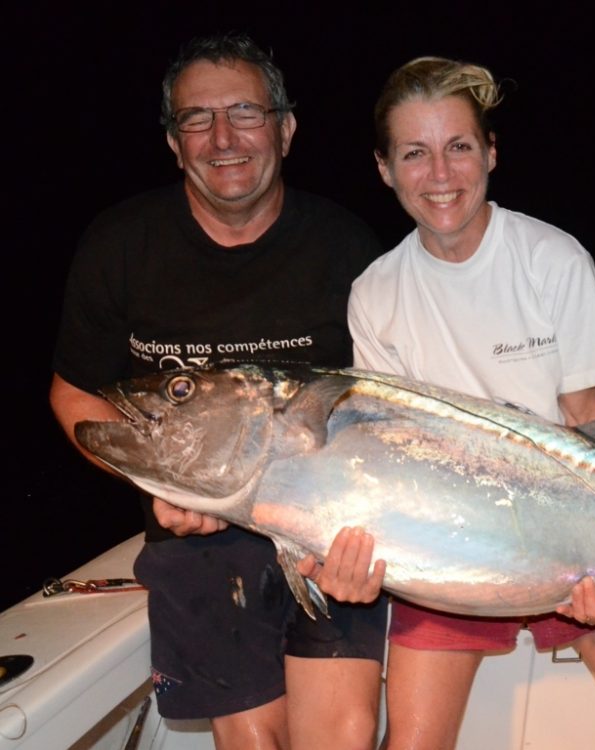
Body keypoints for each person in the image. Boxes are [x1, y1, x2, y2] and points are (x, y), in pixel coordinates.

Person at [303, 56, 595, 750]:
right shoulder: (377, 293)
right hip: (450, 555)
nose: (441, 175)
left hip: (575, 535)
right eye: (415, 153)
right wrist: (338, 562)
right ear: (384, 168)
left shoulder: (551, 260)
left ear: (491, 152)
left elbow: (589, 418)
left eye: (459, 146)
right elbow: (384, 449)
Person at [49, 32, 386, 750]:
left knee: (341, 738)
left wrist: (365, 535)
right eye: (197, 119)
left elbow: (384, 418)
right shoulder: (121, 248)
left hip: (323, 534)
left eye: (245, 112)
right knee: (255, 742)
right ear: (174, 142)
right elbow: (75, 396)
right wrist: (155, 485)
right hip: (195, 542)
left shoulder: (348, 250)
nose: (223, 138)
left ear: (286, 128)